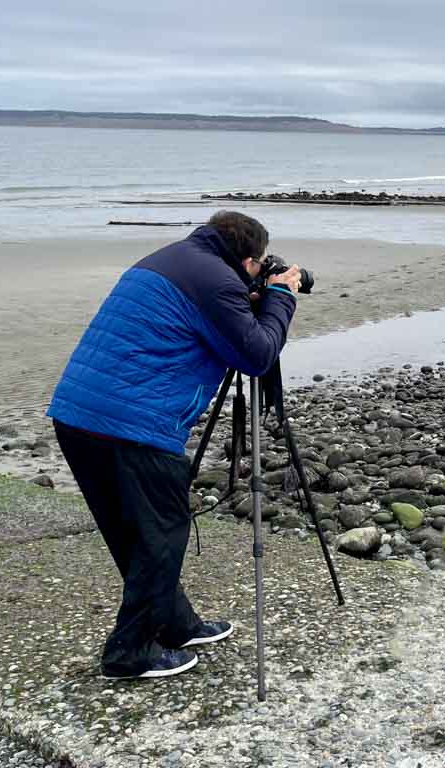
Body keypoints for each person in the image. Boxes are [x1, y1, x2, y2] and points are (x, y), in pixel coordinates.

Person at [47, 211, 301, 679]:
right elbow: (256, 354)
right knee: (162, 534)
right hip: (134, 425)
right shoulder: (217, 282)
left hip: (78, 414)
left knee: (131, 532)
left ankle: (175, 622)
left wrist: (253, 298)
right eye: (260, 264)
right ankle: (130, 652)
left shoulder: (170, 259)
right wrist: (281, 296)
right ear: (247, 259)